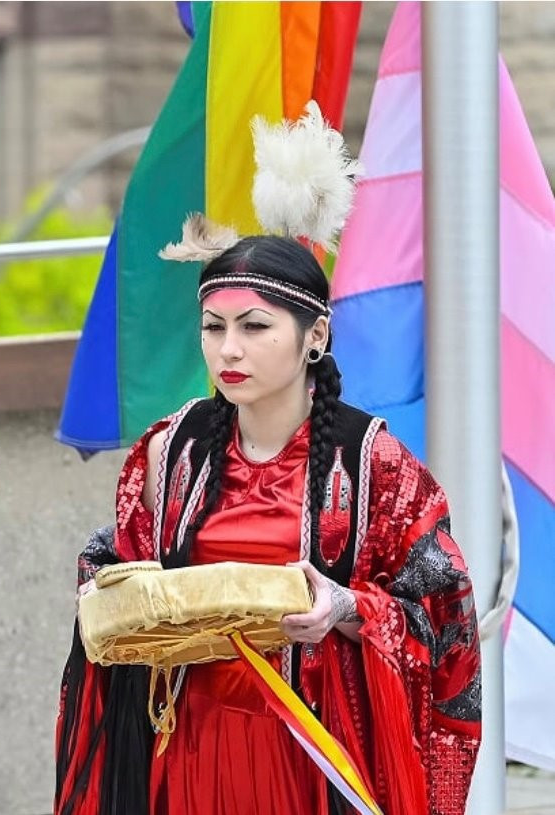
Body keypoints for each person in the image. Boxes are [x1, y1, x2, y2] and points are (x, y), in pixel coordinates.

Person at [53, 230, 483, 815]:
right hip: (188, 743)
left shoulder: (373, 464)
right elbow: (123, 568)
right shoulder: (171, 452)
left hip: (314, 756)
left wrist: (346, 607)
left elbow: (444, 623)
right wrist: (108, 594)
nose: (229, 350)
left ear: (316, 336)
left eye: (254, 327)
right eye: (214, 328)